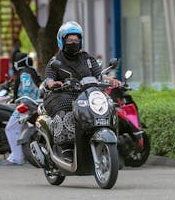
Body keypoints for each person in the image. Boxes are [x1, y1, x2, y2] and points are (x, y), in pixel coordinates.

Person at [44, 21, 120, 161]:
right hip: (61, 94)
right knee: (66, 107)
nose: (73, 42)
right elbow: (48, 78)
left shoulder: (88, 59)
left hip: (85, 94)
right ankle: (66, 148)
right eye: (69, 40)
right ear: (62, 41)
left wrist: (111, 80)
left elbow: (98, 75)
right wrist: (53, 83)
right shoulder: (55, 60)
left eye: (76, 39)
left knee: (107, 105)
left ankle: (110, 145)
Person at [0, 52, 41, 166]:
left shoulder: (25, 74)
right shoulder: (31, 71)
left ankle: (16, 158)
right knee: (20, 129)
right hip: (33, 104)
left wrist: (24, 102)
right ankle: (21, 156)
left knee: (11, 128)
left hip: (26, 105)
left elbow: (27, 89)